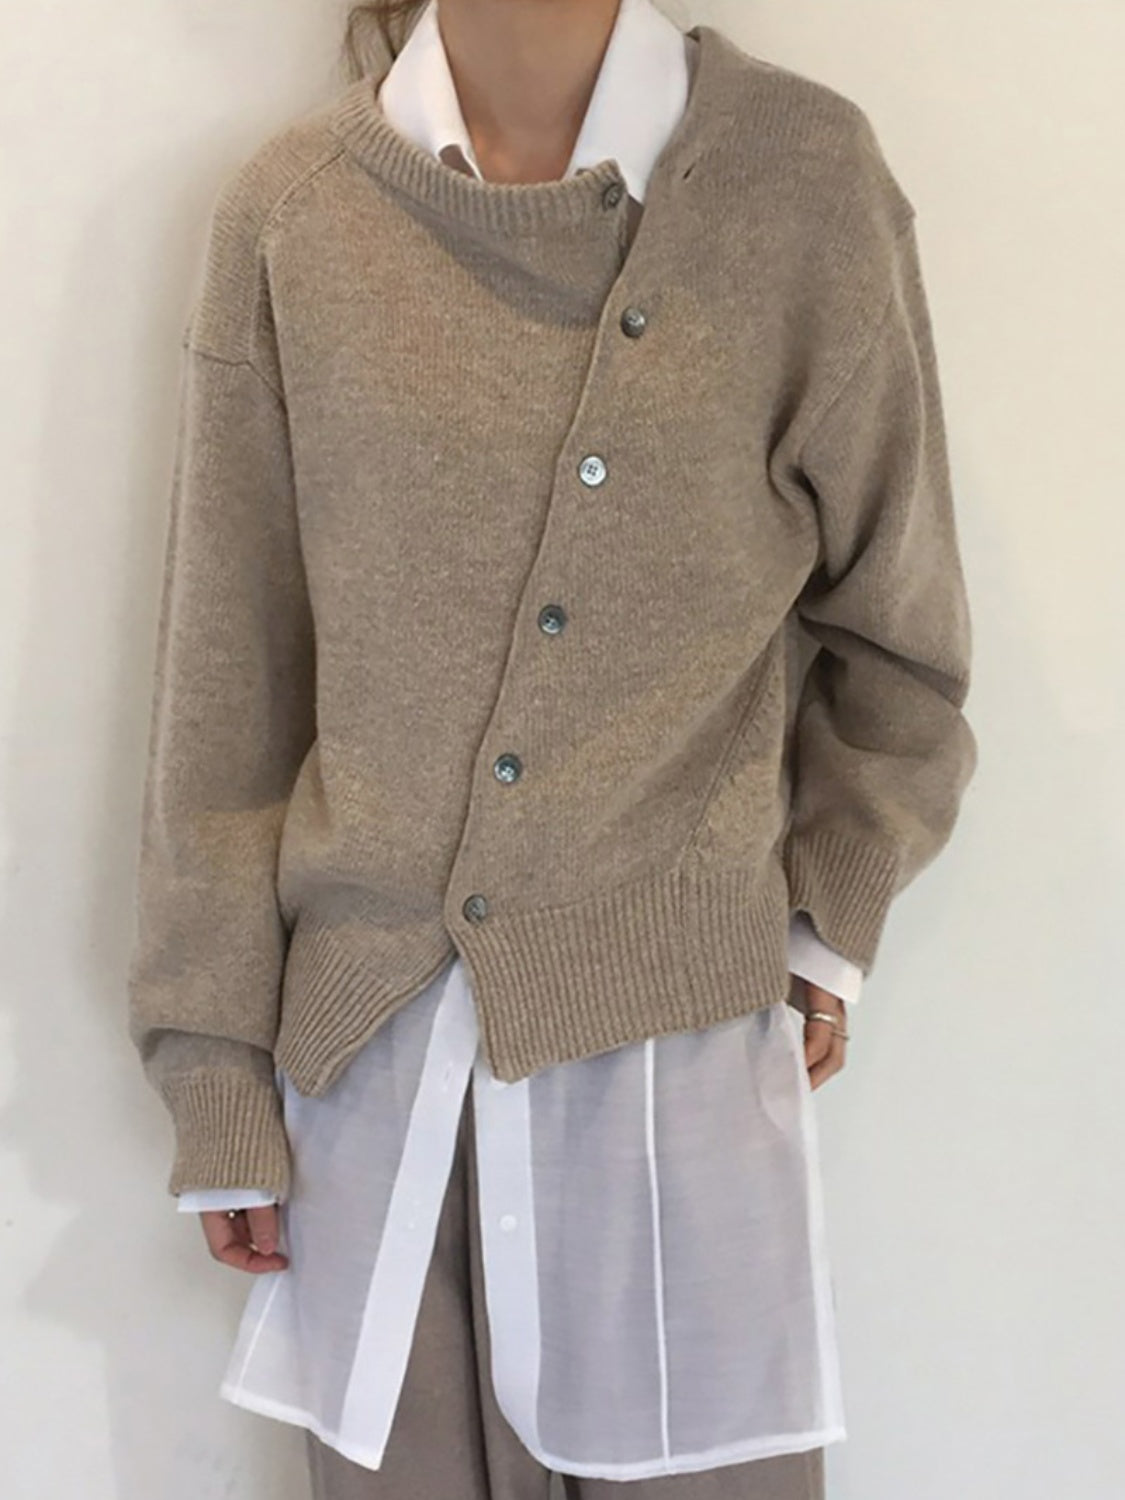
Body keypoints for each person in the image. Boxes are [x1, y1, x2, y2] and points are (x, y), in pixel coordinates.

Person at [125, 1, 978, 1497]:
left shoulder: (800, 179)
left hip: (677, 1092)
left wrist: (823, 928)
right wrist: (214, 1070)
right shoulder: (295, 215)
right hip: (369, 1106)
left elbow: (902, 640)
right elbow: (227, 688)